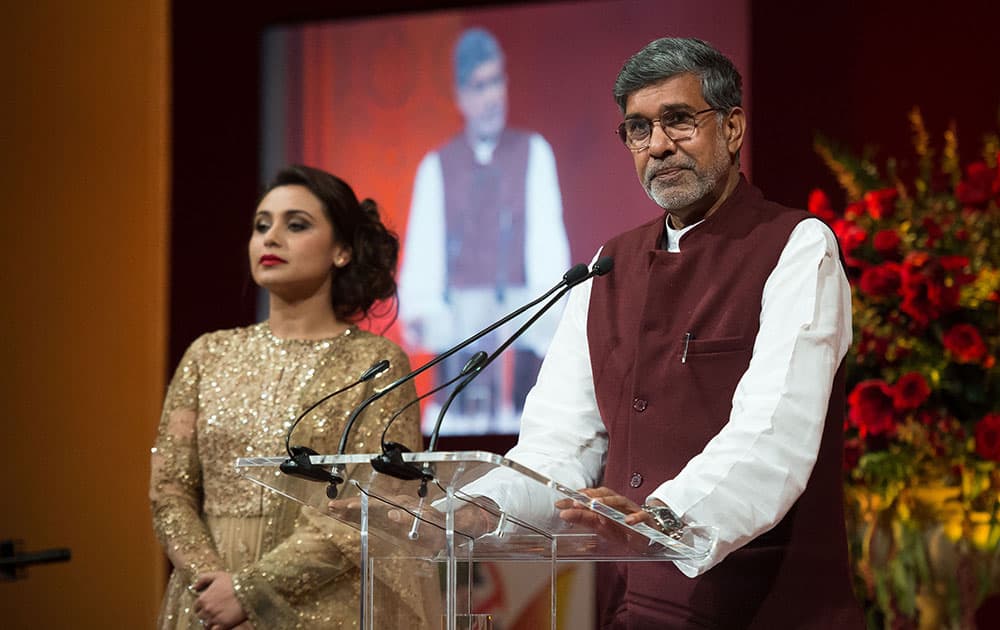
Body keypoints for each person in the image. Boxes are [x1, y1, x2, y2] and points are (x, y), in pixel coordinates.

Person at [468, 38, 865, 627]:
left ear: (732, 129)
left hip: (761, 604)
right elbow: (559, 447)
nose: (658, 146)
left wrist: (659, 521)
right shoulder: (606, 266)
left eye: (678, 120)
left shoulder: (797, 247)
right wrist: (474, 510)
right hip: (629, 606)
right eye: (637, 128)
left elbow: (773, 433)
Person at [150, 165, 435, 629]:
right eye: (262, 225)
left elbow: (377, 500)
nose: (271, 237)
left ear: (341, 250)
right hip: (208, 606)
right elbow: (170, 491)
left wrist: (253, 588)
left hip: (321, 605)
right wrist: (211, 582)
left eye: (296, 225)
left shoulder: (377, 363)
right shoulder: (208, 353)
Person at [398, 27, 571, 432]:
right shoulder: (436, 166)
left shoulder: (534, 153)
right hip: (459, 353)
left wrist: (531, 324)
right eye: (479, 86)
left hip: (519, 353)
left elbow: (549, 254)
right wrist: (438, 320)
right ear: (460, 96)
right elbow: (422, 270)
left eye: (496, 81)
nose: (491, 96)